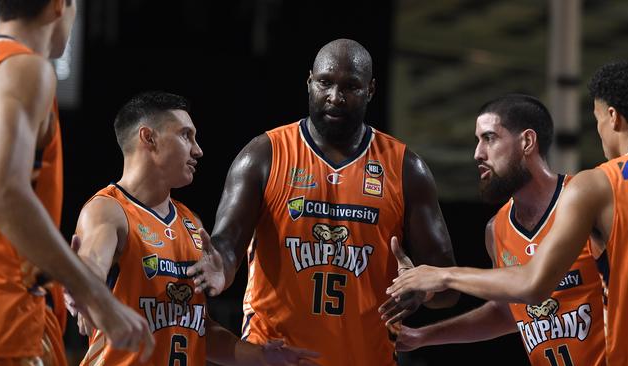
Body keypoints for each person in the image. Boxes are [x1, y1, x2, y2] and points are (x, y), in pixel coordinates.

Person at [186, 38, 459, 366]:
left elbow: (448, 287)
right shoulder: (264, 155)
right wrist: (221, 266)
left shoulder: (405, 168)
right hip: (276, 357)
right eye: (325, 83)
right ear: (309, 82)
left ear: (371, 90)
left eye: (351, 86)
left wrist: (424, 290)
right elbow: (228, 243)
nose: (335, 97)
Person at [386, 59, 628, 364]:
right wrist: (424, 337)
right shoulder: (497, 230)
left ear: (527, 141)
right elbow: (511, 309)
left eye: (489, 138)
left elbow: (531, 285)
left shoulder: (595, 190)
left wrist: (442, 276)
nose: (477, 154)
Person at [73, 91, 319, 365]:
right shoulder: (108, 210)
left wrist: (262, 355)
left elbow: (198, 330)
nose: (198, 149)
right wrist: (83, 286)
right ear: (148, 138)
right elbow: (92, 264)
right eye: (185, 135)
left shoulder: (191, 223)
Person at [0, 1, 154, 364]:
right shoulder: (25, 68)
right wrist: (97, 296)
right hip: (7, 321)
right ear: (59, 5)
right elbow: (6, 194)